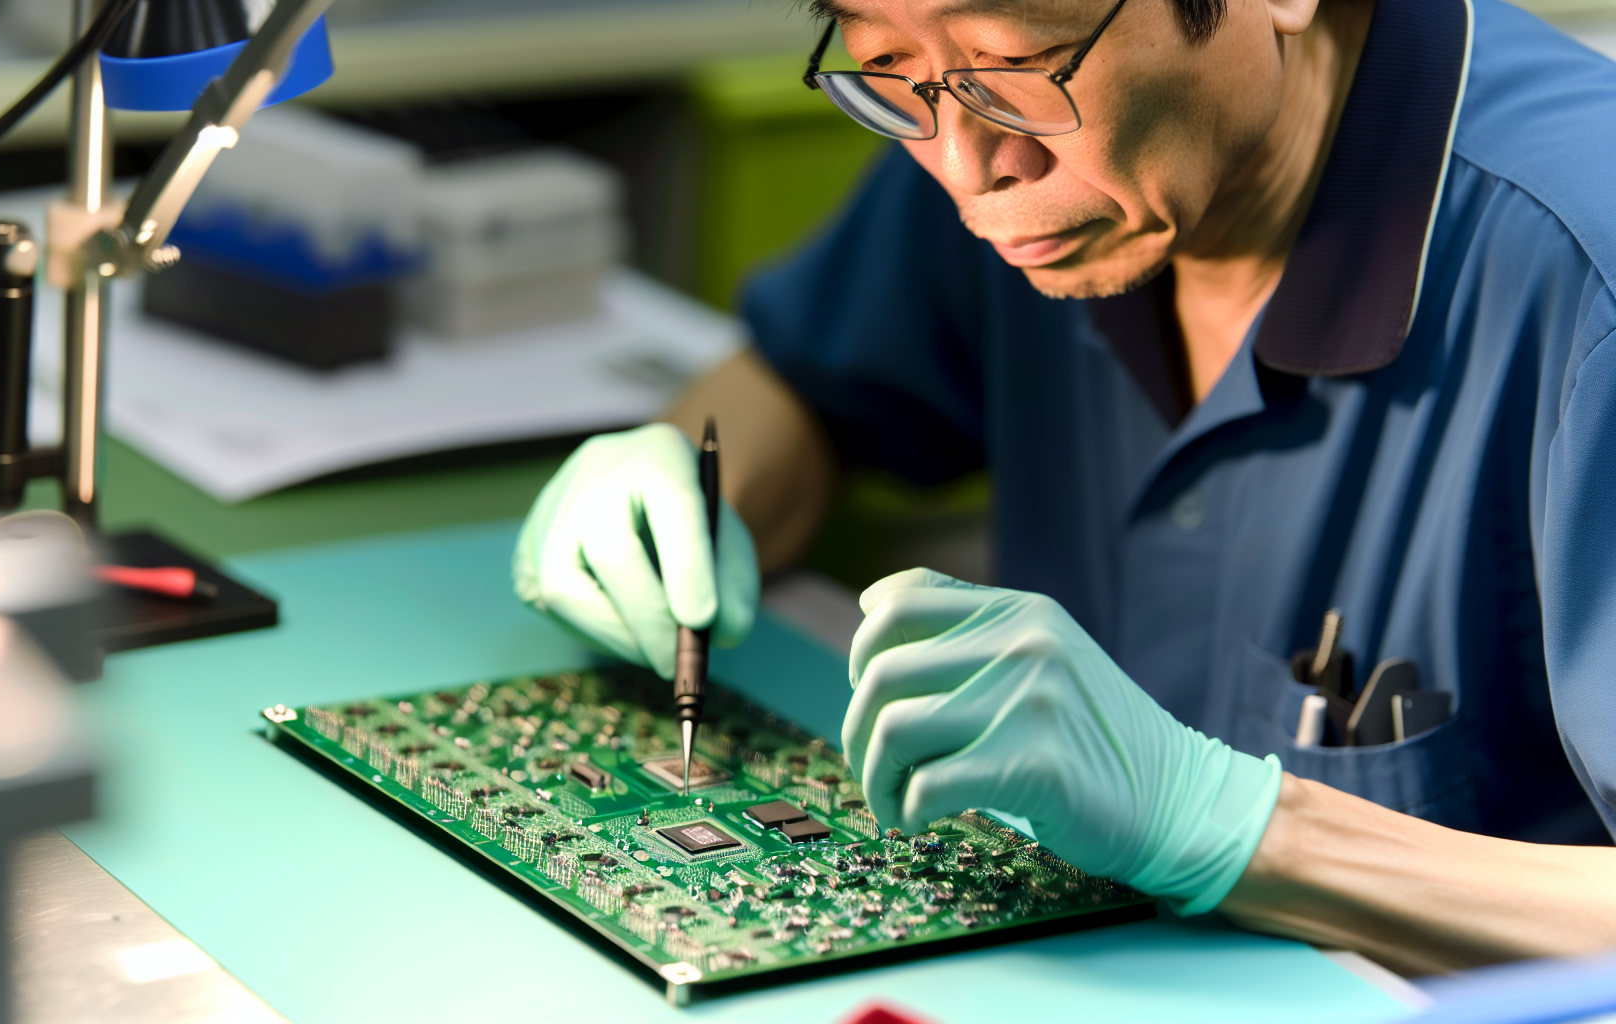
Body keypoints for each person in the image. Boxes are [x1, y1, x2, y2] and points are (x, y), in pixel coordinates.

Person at [512, 0, 1616, 975]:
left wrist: (1233, 826)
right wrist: (692, 490)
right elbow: (805, 392)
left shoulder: (1582, 275)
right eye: (883, 63)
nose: (962, 168)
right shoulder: (1013, 150)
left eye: (1015, 67)